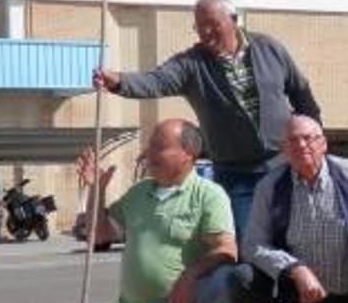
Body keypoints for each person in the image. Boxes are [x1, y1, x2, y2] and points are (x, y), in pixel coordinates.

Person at [93, 0, 320, 237]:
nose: (206, 32)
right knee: (249, 242)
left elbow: (301, 94)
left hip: (285, 164)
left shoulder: (269, 48)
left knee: (298, 235)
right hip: (237, 175)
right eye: (199, 27)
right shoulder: (191, 64)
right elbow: (156, 80)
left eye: (212, 24)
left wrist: (316, 140)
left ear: (234, 20)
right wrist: (118, 81)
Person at [78, 118, 237, 303]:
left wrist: (191, 276)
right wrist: (96, 190)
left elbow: (226, 251)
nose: (148, 153)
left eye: (159, 147)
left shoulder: (209, 195)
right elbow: (98, 235)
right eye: (149, 146)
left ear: (188, 153)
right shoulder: (138, 192)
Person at [236, 115, 348, 303]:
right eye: (293, 140)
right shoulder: (269, 187)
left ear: (323, 144)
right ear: (284, 149)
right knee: (241, 275)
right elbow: (253, 244)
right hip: (300, 296)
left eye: (308, 138)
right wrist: (294, 268)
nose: (301, 145)